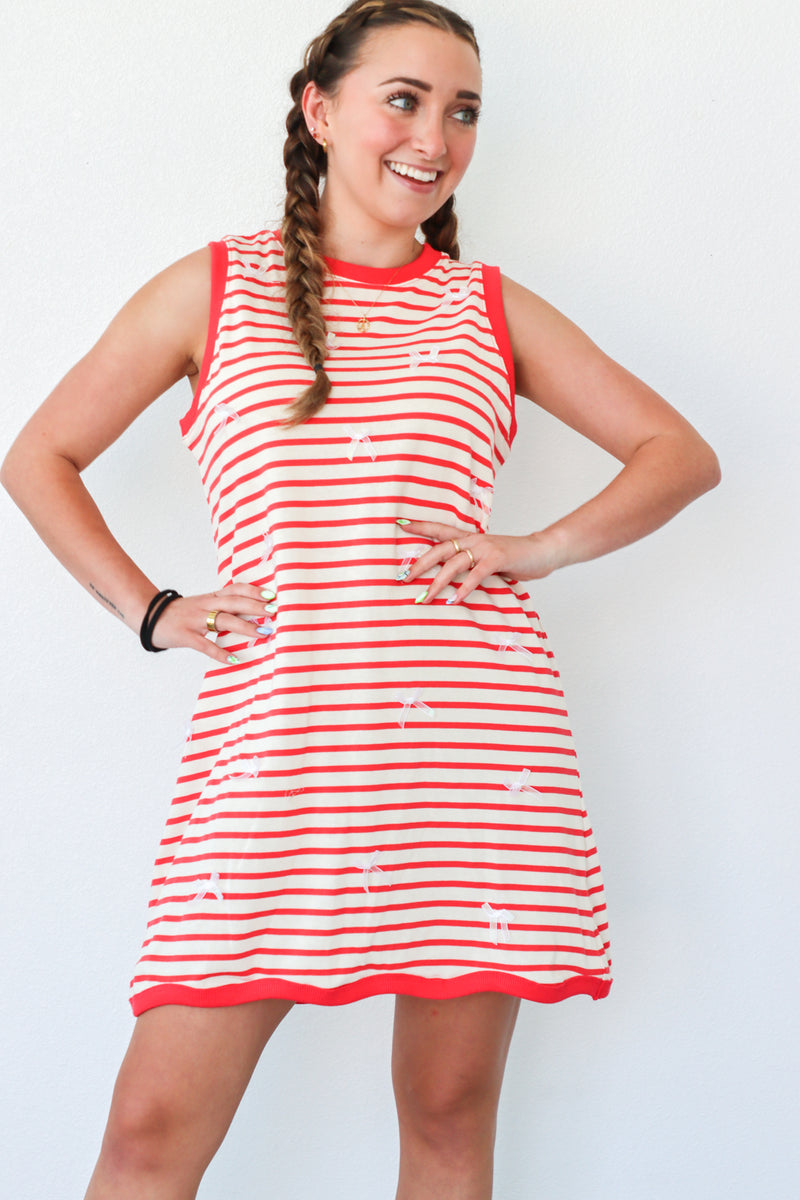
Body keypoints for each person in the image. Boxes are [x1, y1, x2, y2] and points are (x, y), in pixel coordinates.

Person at [1, 1, 720, 1196]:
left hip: (474, 761)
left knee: (444, 1118)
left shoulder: (486, 305)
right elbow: (38, 457)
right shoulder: (211, 289)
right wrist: (151, 609)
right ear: (320, 111)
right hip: (276, 752)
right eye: (403, 99)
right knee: (148, 1138)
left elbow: (676, 453)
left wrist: (537, 548)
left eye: (462, 110)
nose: (434, 136)